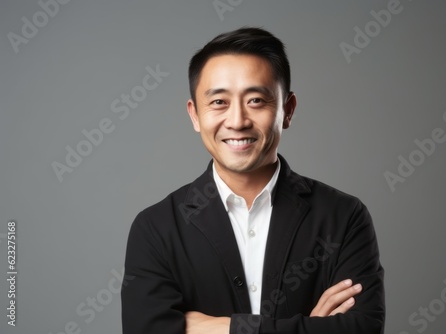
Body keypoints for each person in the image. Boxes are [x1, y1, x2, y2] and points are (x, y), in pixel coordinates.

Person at [121, 27, 385, 334]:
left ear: (288, 110)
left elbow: (362, 329)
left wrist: (221, 328)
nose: (237, 121)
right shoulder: (156, 228)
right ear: (194, 115)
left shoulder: (343, 217)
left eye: (257, 100)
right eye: (219, 102)